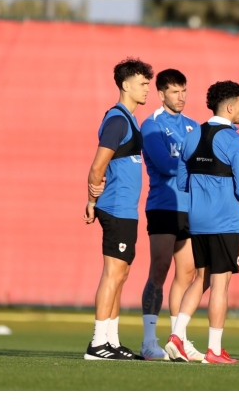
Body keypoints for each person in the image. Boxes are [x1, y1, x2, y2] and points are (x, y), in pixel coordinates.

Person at [164, 80, 239, 364]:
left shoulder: (191, 136)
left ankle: (176, 336)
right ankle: (214, 350)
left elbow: (182, 182)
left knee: (199, 278)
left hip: (198, 220)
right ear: (230, 106)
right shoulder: (236, 141)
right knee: (220, 283)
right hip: (225, 221)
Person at [82, 57, 154, 360]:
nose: (147, 89)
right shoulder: (117, 120)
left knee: (121, 274)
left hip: (127, 210)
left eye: (148, 83)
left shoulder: (131, 119)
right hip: (115, 208)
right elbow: (97, 167)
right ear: (125, 85)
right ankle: (98, 343)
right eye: (142, 83)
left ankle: (111, 341)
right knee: (112, 274)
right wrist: (92, 199)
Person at [138, 69, 204, 361]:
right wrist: (191, 161)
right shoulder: (151, 125)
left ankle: (177, 340)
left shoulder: (194, 126)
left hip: (191, 207)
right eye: (175, 92)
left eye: (184, 91)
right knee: (159, 269)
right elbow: (165, 165)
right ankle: (148, 340)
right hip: (163, 205)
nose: (181, 97)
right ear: (161, 93)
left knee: (187, 273)